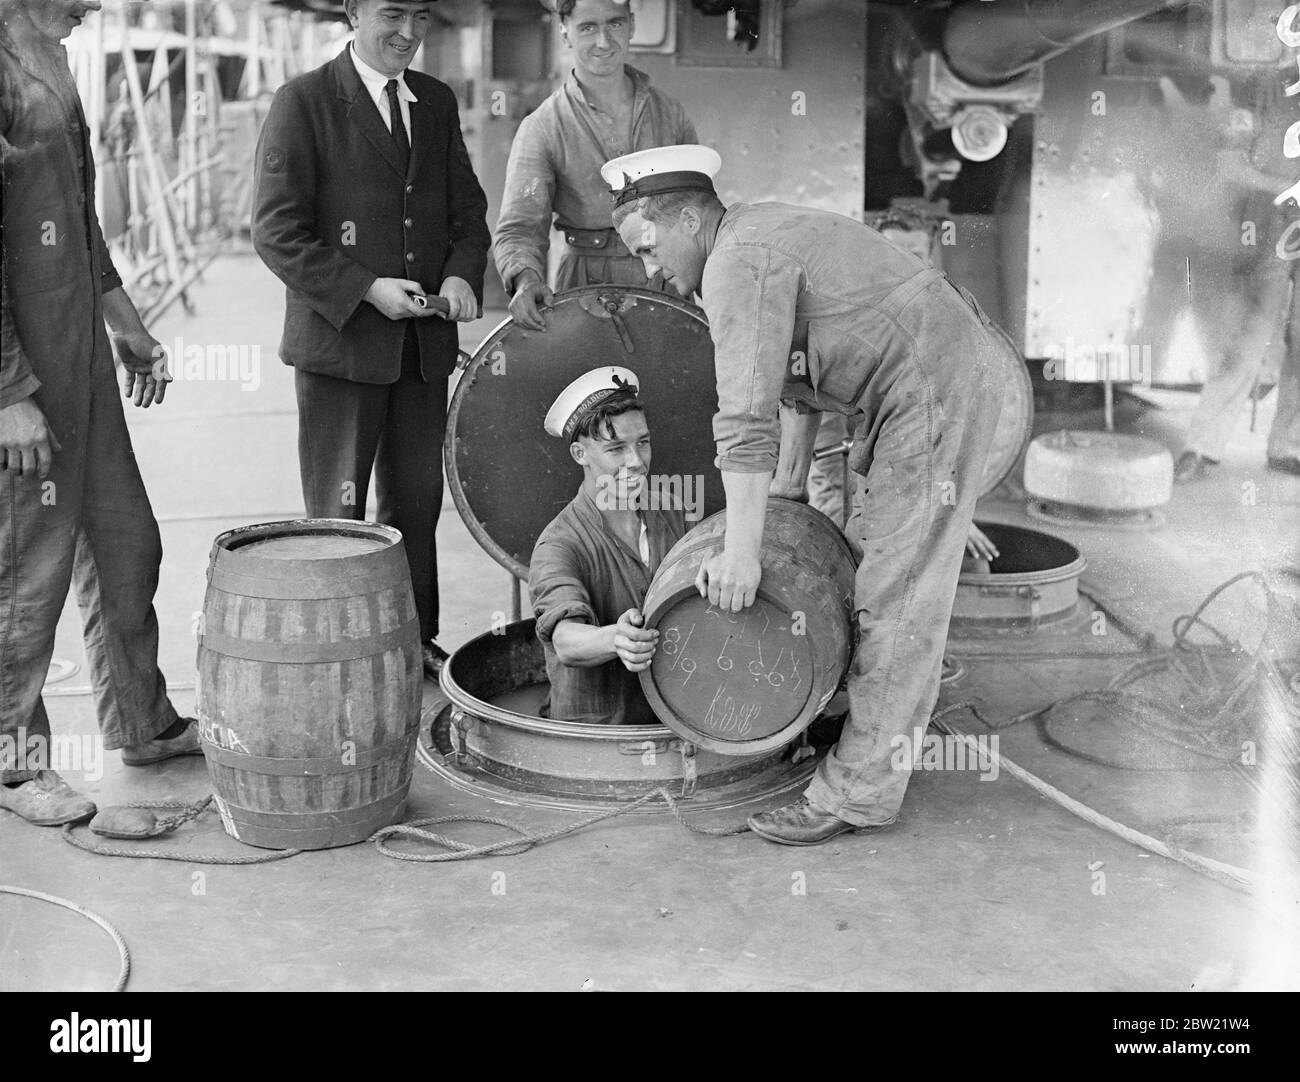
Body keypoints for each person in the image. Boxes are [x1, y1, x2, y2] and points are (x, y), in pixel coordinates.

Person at [605, 145, 1007, 845]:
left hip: (930, 388)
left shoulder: (735, 261)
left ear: (691, 218)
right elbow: (795, 384)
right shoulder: (747, 239)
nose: (650, 271)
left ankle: (856, 793)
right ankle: (866, 721)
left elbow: (745, 419)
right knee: (870, 557)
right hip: (910, 384)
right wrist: (788, 490)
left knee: (898, 589)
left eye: (648, 247)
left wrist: (741, 553)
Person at [0, 0, 200, 827]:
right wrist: (9, 395)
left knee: (126, 545)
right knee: (26, 577)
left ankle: (142, 721)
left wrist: (127, 325)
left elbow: (78, 222)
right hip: (25, 380)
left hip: (81, 357)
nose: (95, 7)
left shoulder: (53, 58)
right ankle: (16, 766)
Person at [253, 0, 491, 678]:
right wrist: (366, 289)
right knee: (342, 514)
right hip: (341, 351)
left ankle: (412, 643)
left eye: (421, 17)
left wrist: (461, 272)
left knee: (417, 504)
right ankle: (346, 657)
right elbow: (276, 232)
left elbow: (467, 212)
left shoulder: (435, 102)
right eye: (393, 14)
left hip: (422, 351)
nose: (410, 34)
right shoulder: (303, 103)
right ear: (353, 13)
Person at [494, 0, 696, 331]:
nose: (603, 41)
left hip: (668, 280)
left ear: (631, 25)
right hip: (587, 285)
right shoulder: (543, 125)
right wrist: (526, 279)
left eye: (614, 24)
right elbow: (520, 227)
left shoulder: (670, 113)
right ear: (564, 32)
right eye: (587, 27)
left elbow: (698, 211)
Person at [528, 367, 686, 725]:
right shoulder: (559, 544)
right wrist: (617, 637)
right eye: (616, 448)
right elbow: (565, 640)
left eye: (642, 442)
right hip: (597, 740)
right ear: (579, 453)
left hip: (676, 719)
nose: (637, 461)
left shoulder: (674, 512)